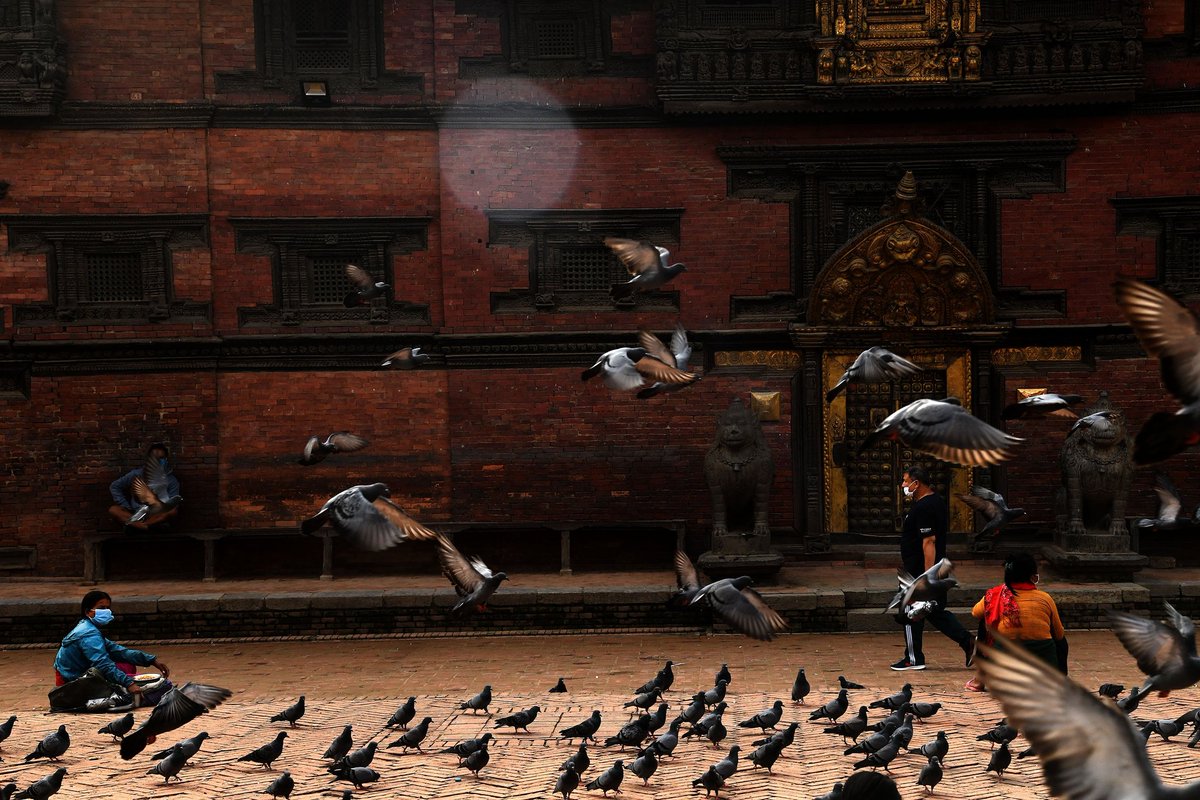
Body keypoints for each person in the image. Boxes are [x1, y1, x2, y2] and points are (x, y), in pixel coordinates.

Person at [891, 465, 976, 671]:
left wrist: (925, 578)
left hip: (920, 571)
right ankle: (970, 643)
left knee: (909, 609)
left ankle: (913, 658)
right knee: (933, 611)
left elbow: (929, 541)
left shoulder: (925, 507)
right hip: (929, 568)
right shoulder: (933, 502)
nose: (903, 485)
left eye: (905, 481)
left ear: (916, 483)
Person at [965, 551, 1067, 692]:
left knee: (985, 621)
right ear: (1033, 577)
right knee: (1061, 641)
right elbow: (1059, 634)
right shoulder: (1045, 598)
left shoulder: (995, 595)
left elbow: (975, 612)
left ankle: (979, 679)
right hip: (1043, 663)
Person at [51, 590, 170, 711]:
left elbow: (119, 652)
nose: (106, 611)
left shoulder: (88, 628)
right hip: (73, 685)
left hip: (81, 678)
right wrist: (130, 684)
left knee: (125, 665)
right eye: (102, 608)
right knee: (161, 687)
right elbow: (103, 664)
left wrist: (151, 660)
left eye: (108, 608)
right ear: (88, 612)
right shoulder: (88, 634)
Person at [108, 441, 180, 532]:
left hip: (156, 515)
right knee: (114, 510)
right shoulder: (136, 474)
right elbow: (115, 486)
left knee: (172, 511)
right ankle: (144, 527)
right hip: (135, 513)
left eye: (161, 458)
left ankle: (138, 526)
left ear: (165, 460)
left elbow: (173, 503)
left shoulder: (171, 480)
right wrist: (125, 506)